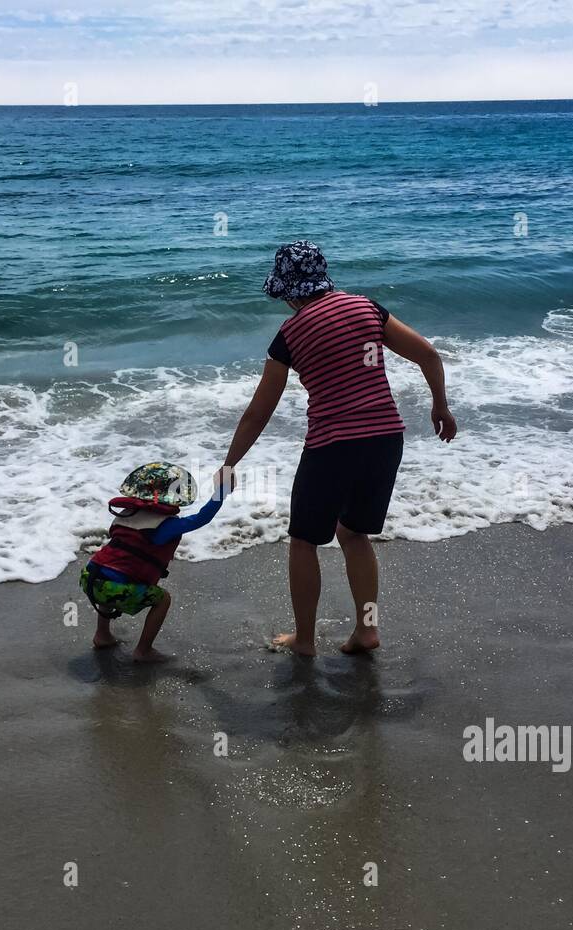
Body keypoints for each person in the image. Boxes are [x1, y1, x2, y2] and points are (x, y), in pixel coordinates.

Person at [218, 240, 457, 657]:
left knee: (304, 540)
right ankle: (367, 631)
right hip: (385, 438)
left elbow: (259, 412)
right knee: (353, 533)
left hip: (333, 445)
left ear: (288, 291)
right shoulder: (367, 308)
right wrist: (440, 406)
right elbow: (429, 356)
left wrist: (230, 463)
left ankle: (306, 641)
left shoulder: (289, 336)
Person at [81, 462, 226, 663]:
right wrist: (223, 490)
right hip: (114, 589)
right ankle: (144, 650)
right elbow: (203, 517)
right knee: (162, 599)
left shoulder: (125, 515)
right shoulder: (166, 526)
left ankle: (102, 634)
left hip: (90, 579)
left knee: (110, 576)